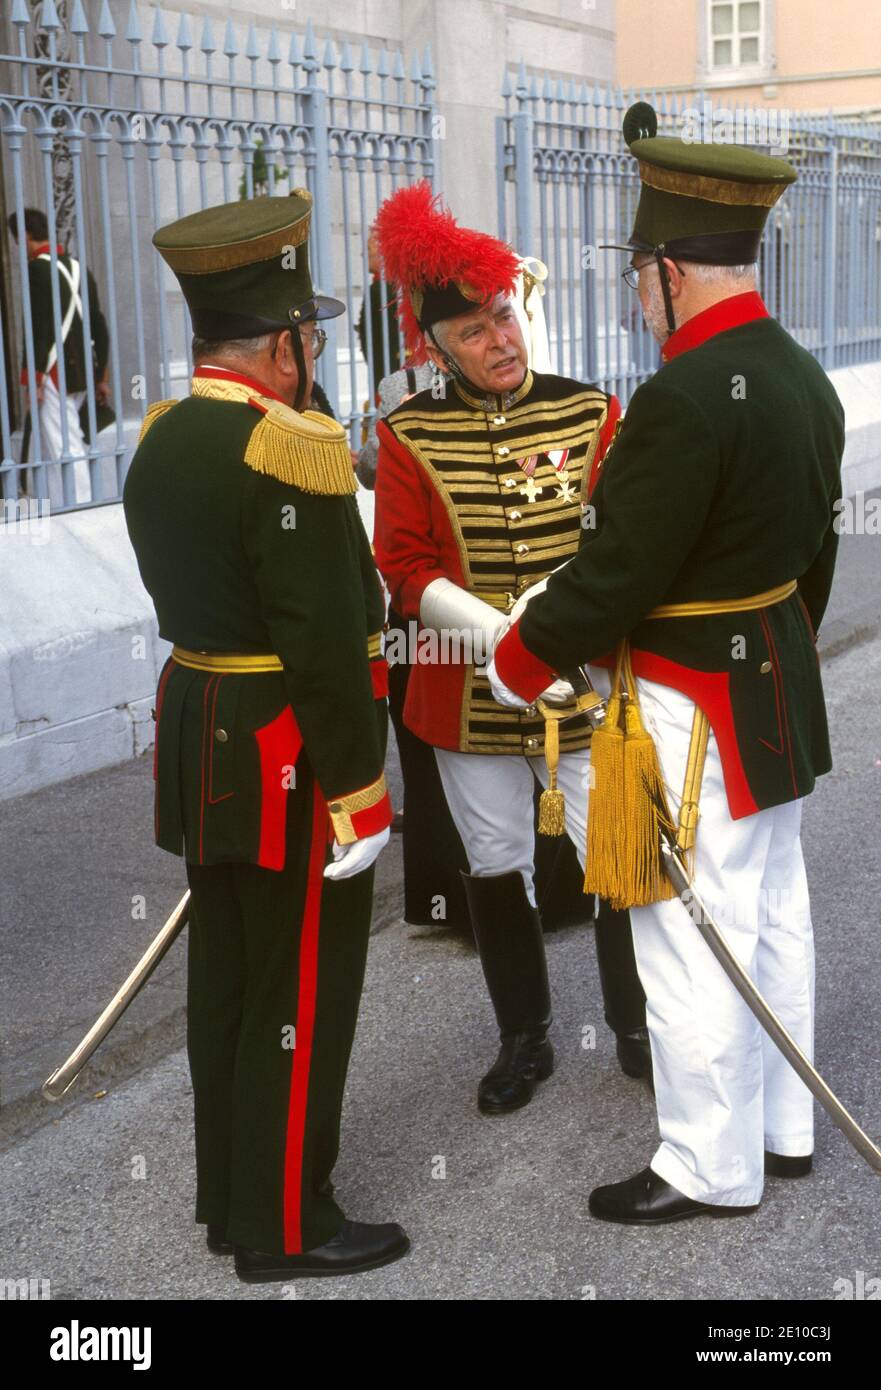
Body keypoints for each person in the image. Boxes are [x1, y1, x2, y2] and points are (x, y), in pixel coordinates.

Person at [490, 102, 845, 1223]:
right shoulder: (797, 371)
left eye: (638, 269)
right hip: (772, 678)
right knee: (771, 908)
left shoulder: (681, 397)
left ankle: (708, 1165)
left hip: (690, 697)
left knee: (690, 938)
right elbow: (812, 555)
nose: (633, 291)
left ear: (668, 267)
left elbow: (613, 575)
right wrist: (763, 634)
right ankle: (783, 1130)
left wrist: (517, 653)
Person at [122, 189, 409, 1280]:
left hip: (204, 727)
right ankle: (289, 1221)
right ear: (285, 345)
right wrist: (359, 789)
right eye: (312, 337)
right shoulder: (290, 450)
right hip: (288, 745)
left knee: (229, 982)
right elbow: (330, 639)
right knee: (298, 991)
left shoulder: (165, 436)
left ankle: (231, 1198)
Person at [372, 181, 650, 1117]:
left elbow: (621, 539)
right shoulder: (406, 433)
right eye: (476, 332)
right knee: (493, 863)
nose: (500, 342)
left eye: (505, 319)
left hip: (584, 678)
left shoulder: (589, 413)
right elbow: (403, 568)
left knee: (617, 856)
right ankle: (523, 1039)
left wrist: (555, 621)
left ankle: (637, 1027)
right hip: (461, 692)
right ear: (436, 347)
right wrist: (493, 633)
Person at [7, 207, 109, 504]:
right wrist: (101, 375)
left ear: (25, 236)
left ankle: (80, 507)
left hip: (53, 371)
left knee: (65, 445)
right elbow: (99, 324)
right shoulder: (79, 268)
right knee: (63, 443)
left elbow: (37, 329)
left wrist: (34, 377)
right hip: (82, 370)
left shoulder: (36, 270)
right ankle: (59, 504)